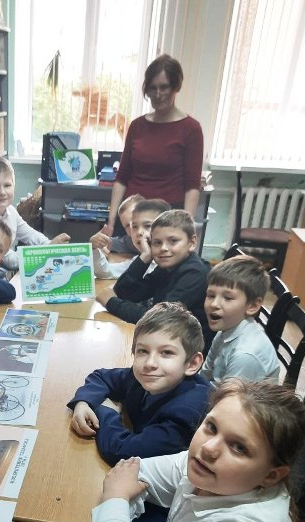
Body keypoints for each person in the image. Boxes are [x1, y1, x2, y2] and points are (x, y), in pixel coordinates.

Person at [84, 378, 305, 522]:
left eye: (239, 447)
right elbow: (132, 472)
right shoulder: (209, 467)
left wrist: (110, 520)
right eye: (211, 426)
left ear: (270, 476)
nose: (209, 448)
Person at [69, 302, 209, 466]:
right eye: (143, 351)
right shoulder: (146, 376)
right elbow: (102, 377)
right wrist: (83, 402)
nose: (150, 363)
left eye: (166, 353)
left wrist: (106, 410)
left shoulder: (186, 414)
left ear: (192, 364)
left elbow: (123, 452)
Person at [105, 53, 204, 233]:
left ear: (175, 87)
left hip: (168, 217)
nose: (158, 94)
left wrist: (186, 229)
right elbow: (122, 177)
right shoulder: (137, 126)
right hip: (132, 216)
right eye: (152, 88)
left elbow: (192, 186)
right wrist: (111, 221)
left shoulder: (191, 129)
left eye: (164, 87)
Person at [97, 209, 212, 348]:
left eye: (173, 241)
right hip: (168, 340)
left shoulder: (196, 273)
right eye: (157, 243)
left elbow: (160, 319)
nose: (163, 248)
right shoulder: (168, 266)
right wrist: (145, 256)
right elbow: (124, 293)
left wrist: (111, 302)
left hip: (191, 350)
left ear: (192, 242)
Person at [0, 156, 70, 271]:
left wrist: (50, 245)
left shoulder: (10, 210)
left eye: (7, 185)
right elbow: (9, 260)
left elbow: (31, 235)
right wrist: (47, 252)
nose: (2, 192)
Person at [202, 255, 280, 385]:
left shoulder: (245, 355)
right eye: (211, 295)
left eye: (228, 298)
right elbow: (204, 375)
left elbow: (230, 397)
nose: (214, 304)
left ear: (252, 306)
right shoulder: (226, 329)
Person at [90, 194, 143, 280]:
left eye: (135, 223)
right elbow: (106, 272)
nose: (133, 229)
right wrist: (95, 247)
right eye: (127, 226)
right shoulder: (138, 261)